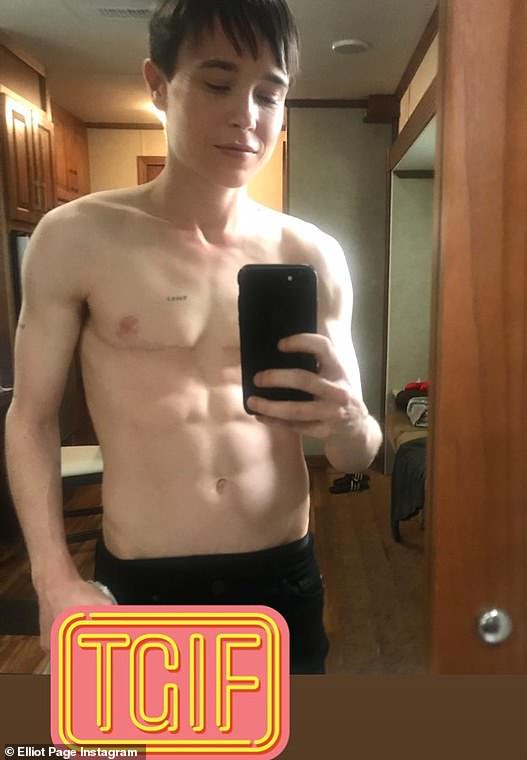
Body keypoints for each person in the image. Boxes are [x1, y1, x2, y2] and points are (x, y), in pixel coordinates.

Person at [4, 0, 382, 675]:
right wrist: (52, 578)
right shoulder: (77, 238)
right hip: (145, 587)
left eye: (269, 93)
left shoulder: (312, 254)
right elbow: (30, 419)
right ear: (157, 84)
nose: (247, 115)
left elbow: (357, 456)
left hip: (281, 578)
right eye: (217, 83)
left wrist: (352, 420)